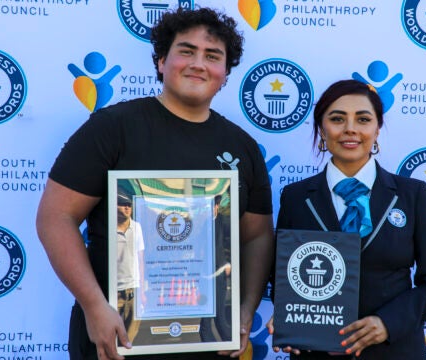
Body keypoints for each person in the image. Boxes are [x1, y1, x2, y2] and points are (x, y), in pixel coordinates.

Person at [36, 7, 274, 360]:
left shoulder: (242, 148)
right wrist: (93, 306)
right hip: (116, 335)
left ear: (225, 73)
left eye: (212, 56)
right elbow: (55, 218)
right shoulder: (111, 129)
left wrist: (245, 308)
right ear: (162, 61)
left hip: (208, 340)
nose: (198, 63)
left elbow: (256, 236)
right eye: (186, 51)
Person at [267, 79, 426, 359]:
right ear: (321, 129)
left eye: (363, 119)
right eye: (337, 119)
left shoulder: (411, 195)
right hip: (316, 352)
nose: (350, 129)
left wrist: (387, 324)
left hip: (393, 350)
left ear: (377, 129)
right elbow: (284, 280)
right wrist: (288, 319)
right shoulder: (295, 197)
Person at [115, 191, 145, 345]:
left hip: (134, 290)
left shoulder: (137, 227)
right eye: (123, 205)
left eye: (129, 205)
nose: (127, 208)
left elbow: (140, 257)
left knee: (129, 340)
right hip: (115, 292)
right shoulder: (109, 228)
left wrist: (143, 291)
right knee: (113, 339)